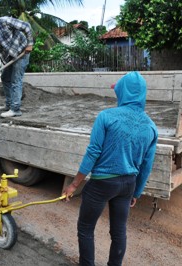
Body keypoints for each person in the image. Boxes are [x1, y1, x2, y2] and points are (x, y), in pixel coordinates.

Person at [62, 71, 158, 266]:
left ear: (122, 92)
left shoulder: (106, 117)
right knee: (119, 231)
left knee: (86, 228)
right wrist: (137, 192)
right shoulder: (151, 127)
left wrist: (74, 184)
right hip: (128, 185)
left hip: (102, 184)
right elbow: (146, 165)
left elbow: (93, 153)